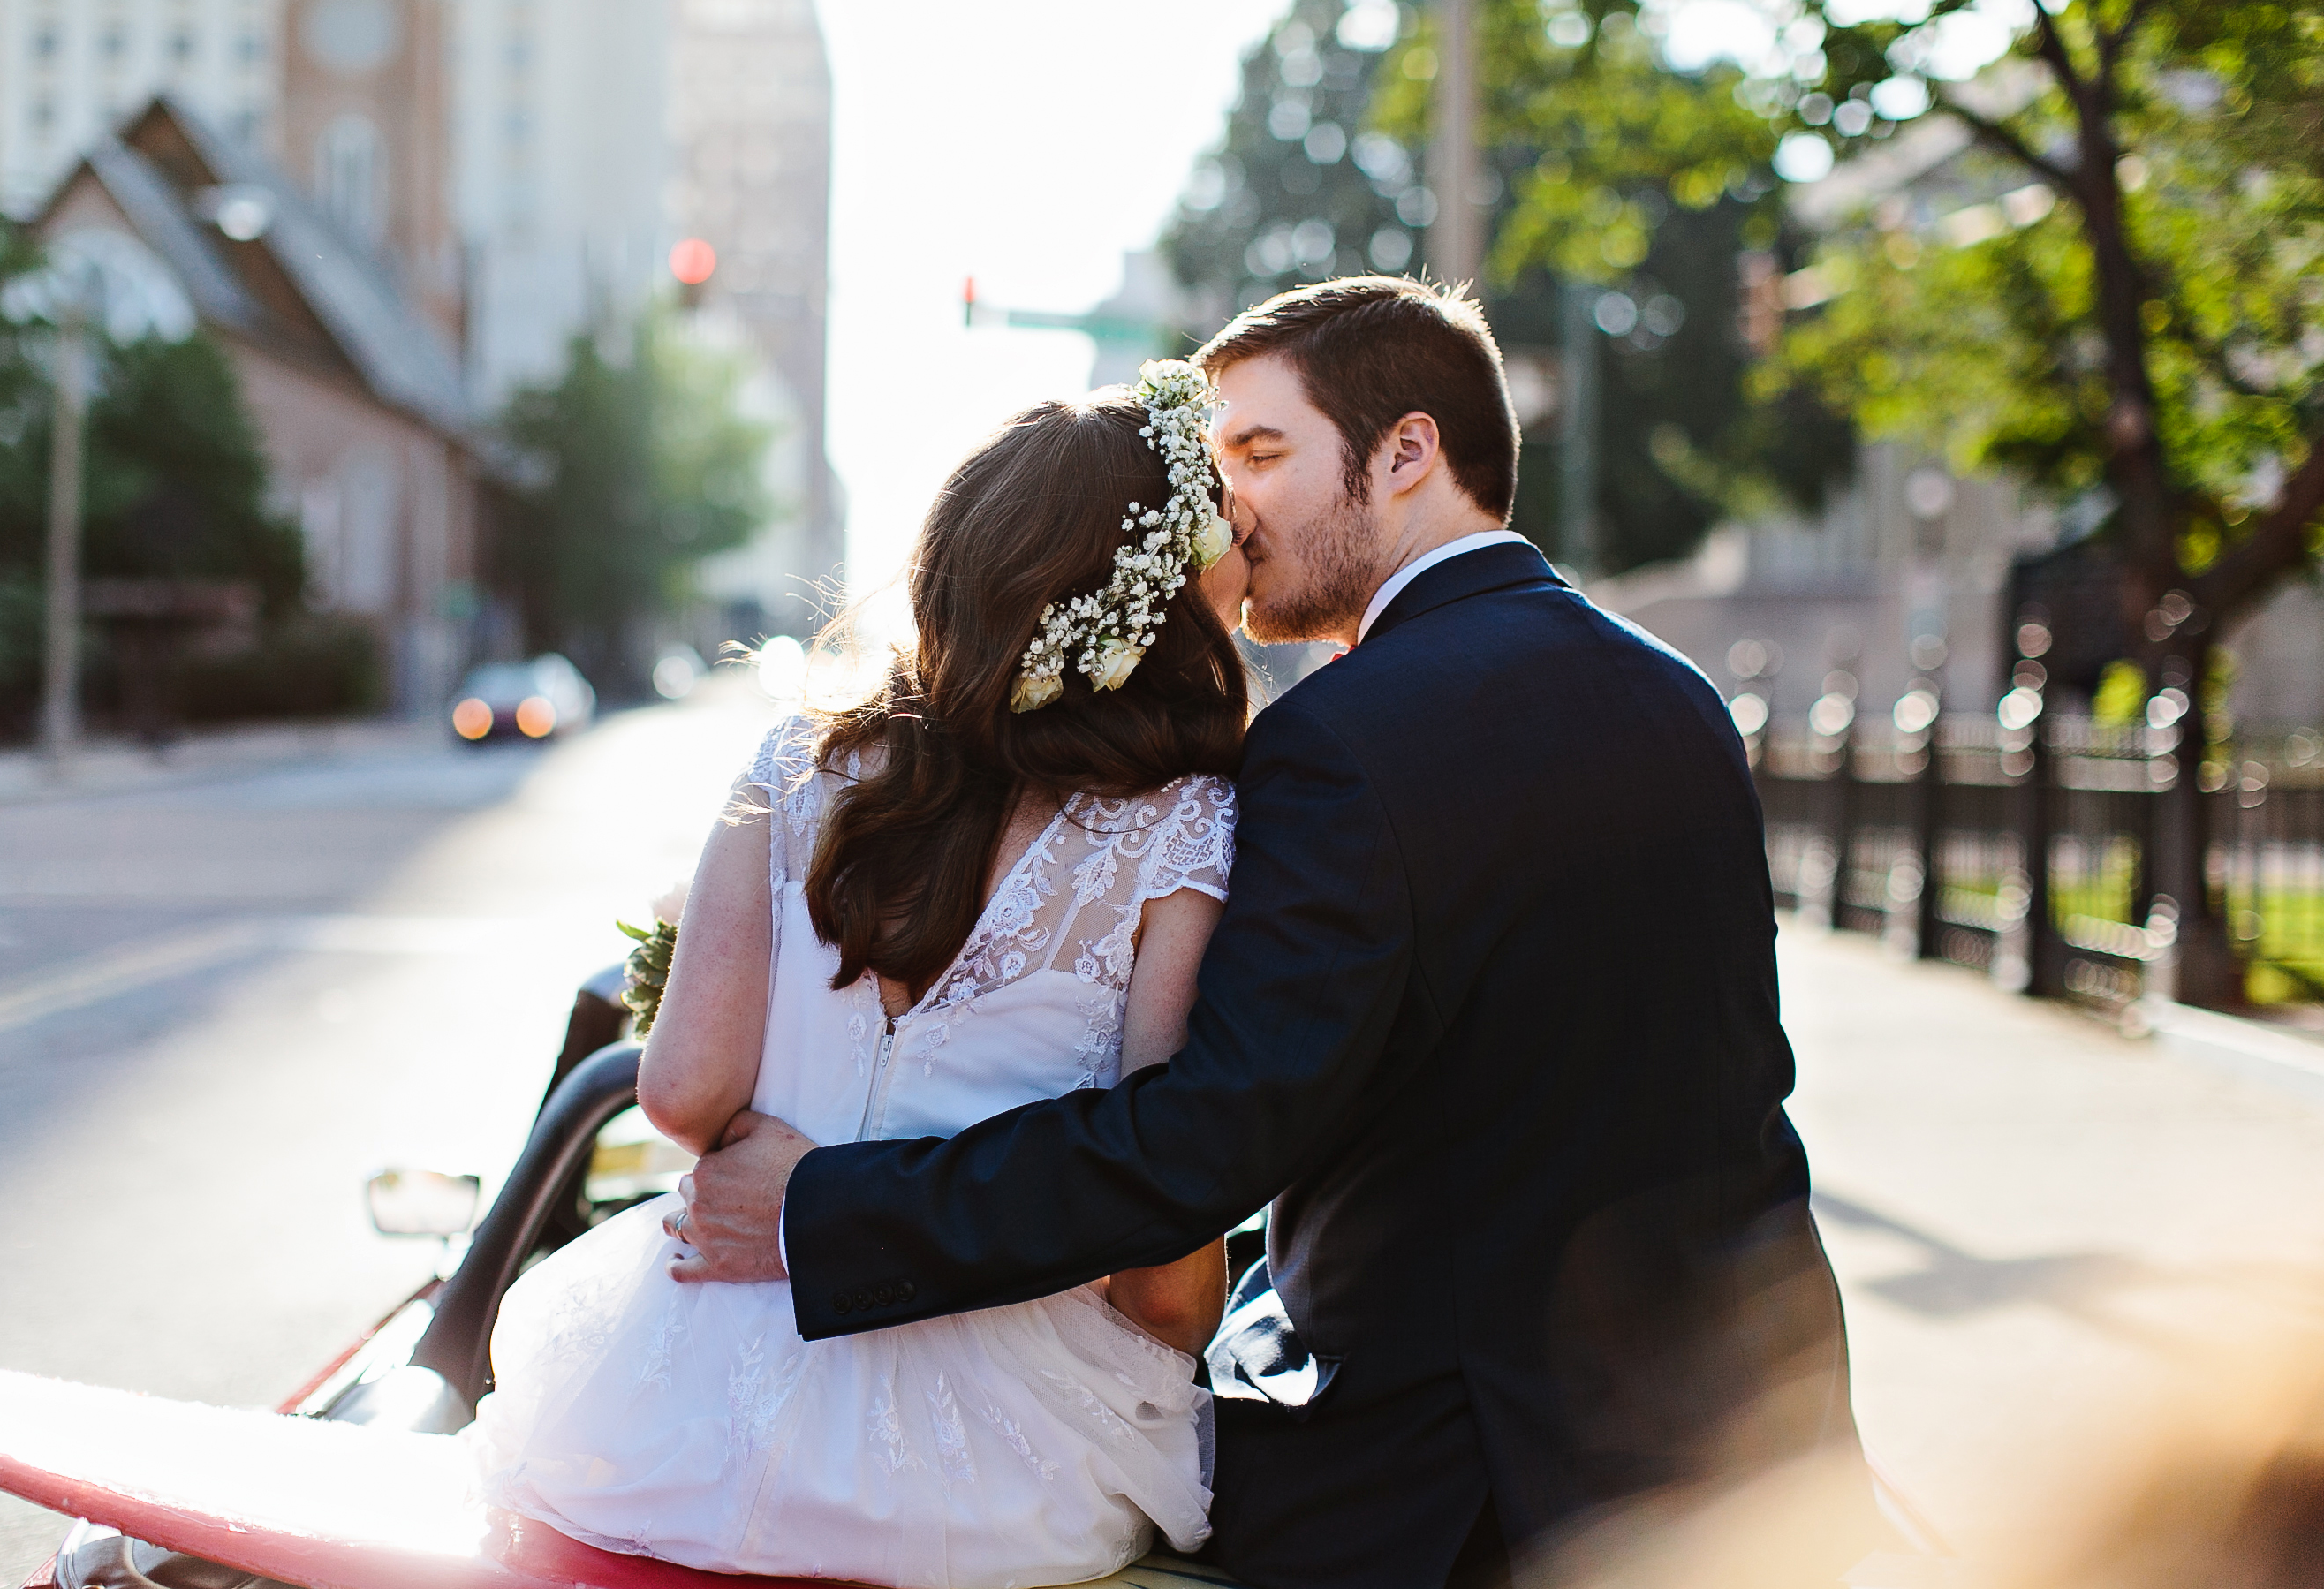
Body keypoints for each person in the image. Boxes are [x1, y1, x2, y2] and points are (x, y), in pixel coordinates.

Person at [673, 277, 1865, 1587]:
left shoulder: (1343, 740)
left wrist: (827, 1211)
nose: (1226, 509)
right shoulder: (1677, 697)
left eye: (1260, 453)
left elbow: (1207, 1138)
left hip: (1461, 1487)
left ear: (1406, 453)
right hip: (1752, 1438)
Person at [466, 365, 1256, 1587]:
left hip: (685, 1415)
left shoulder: (796, 758)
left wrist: (801, 1164)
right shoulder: (1181, 829)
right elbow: (1160, 1262)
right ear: (1157, 604)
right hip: (997, 1470)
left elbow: (677, 1094)